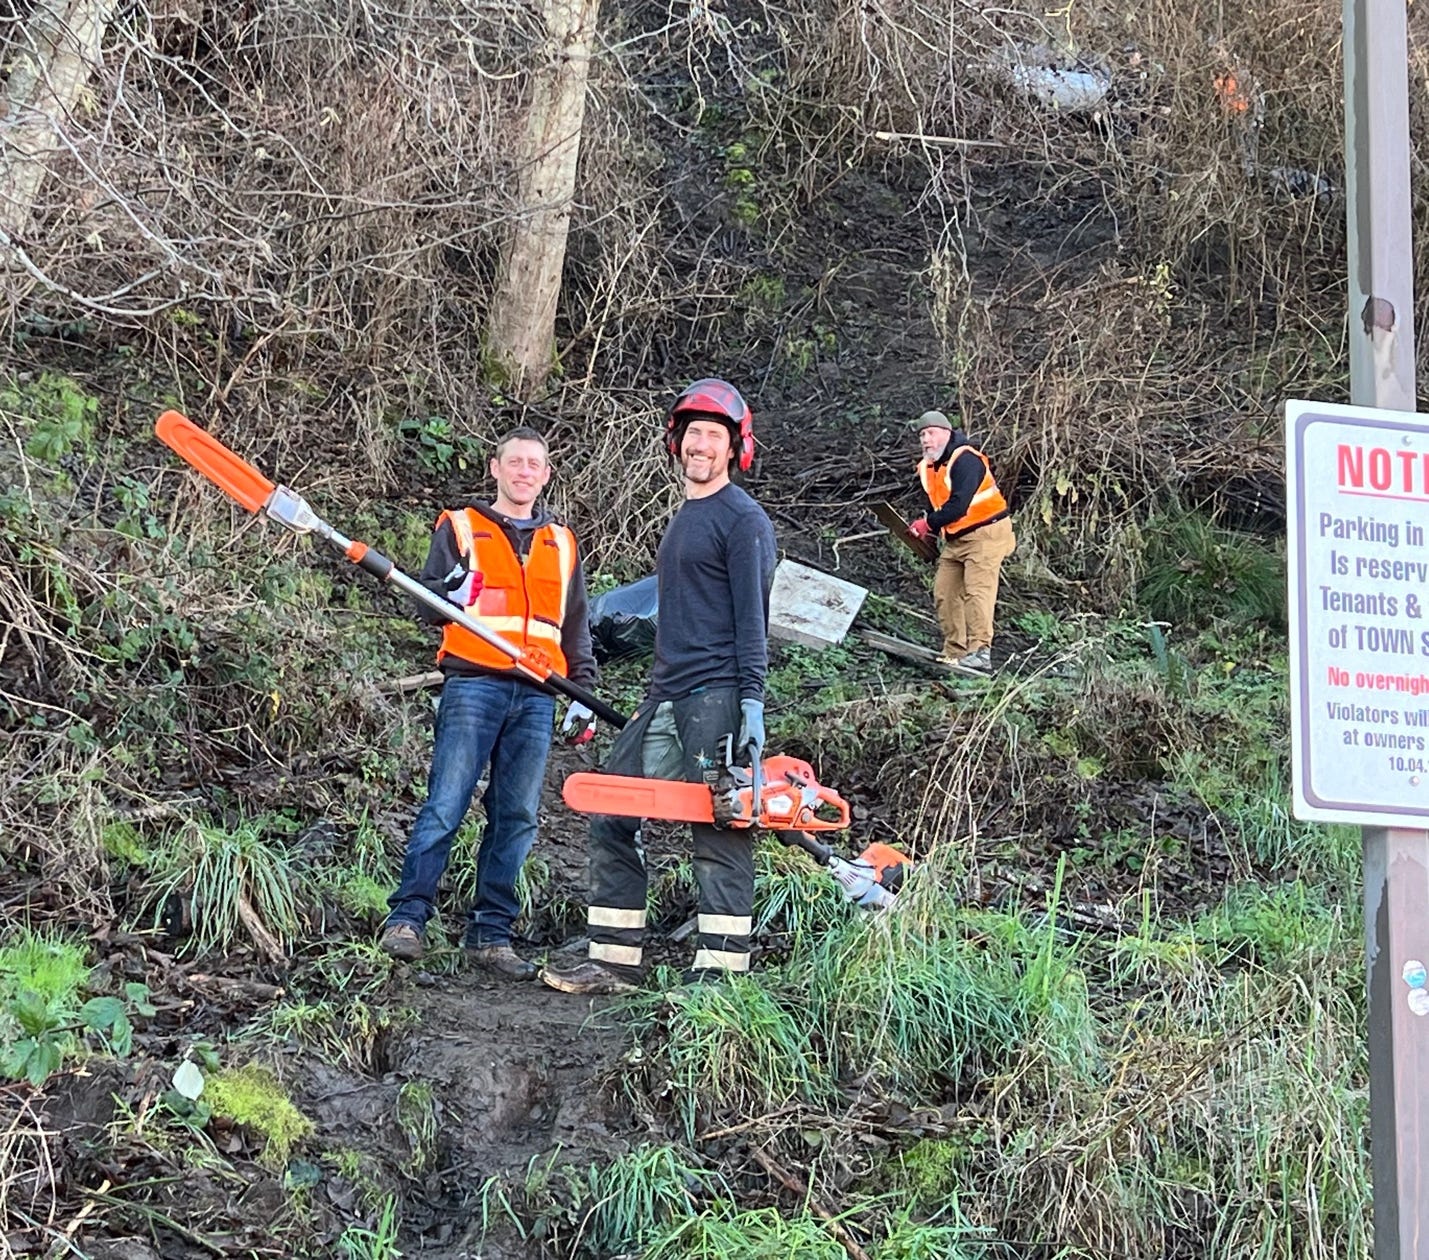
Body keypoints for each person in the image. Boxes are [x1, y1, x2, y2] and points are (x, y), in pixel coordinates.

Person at [540, 379, 777, 996]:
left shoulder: (742, 520)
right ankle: (613, 961)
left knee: (719, 825)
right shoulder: (689, 517)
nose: (700, 445)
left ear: (734, 449)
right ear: (678, 443)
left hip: (718, 694)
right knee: (612, 809)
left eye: (713, 436)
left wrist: (750, 702)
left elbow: (754, 619)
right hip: (668, 695)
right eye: (692, 434)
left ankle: (720, 979)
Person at [380, 427, 599, 979]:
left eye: (535, 464)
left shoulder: (563, 542)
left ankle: (491, 934)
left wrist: (584, 692)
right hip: (474, 683)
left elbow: (574, 627)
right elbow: (431, 604)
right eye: (515, 462)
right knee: (446, 803)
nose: (525, 471)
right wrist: (450, 589)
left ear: (546, 475)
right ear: (496, 468)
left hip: (537, 693)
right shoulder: (461, 527)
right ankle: (408, 919)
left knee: (518, 815)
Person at [907, 410, 1015, 671]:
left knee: (978, 591)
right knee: (945, 592)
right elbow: (938, 505)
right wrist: (929, 533)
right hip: (957, 539)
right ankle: (954, 651)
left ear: (946, 432)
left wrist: (928, 524)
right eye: (922, 435)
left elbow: (958, 506)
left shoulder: (966, 460)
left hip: (987, 534)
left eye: (930, 433)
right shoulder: (928, 467)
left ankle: (980, 651)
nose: (926, 440)